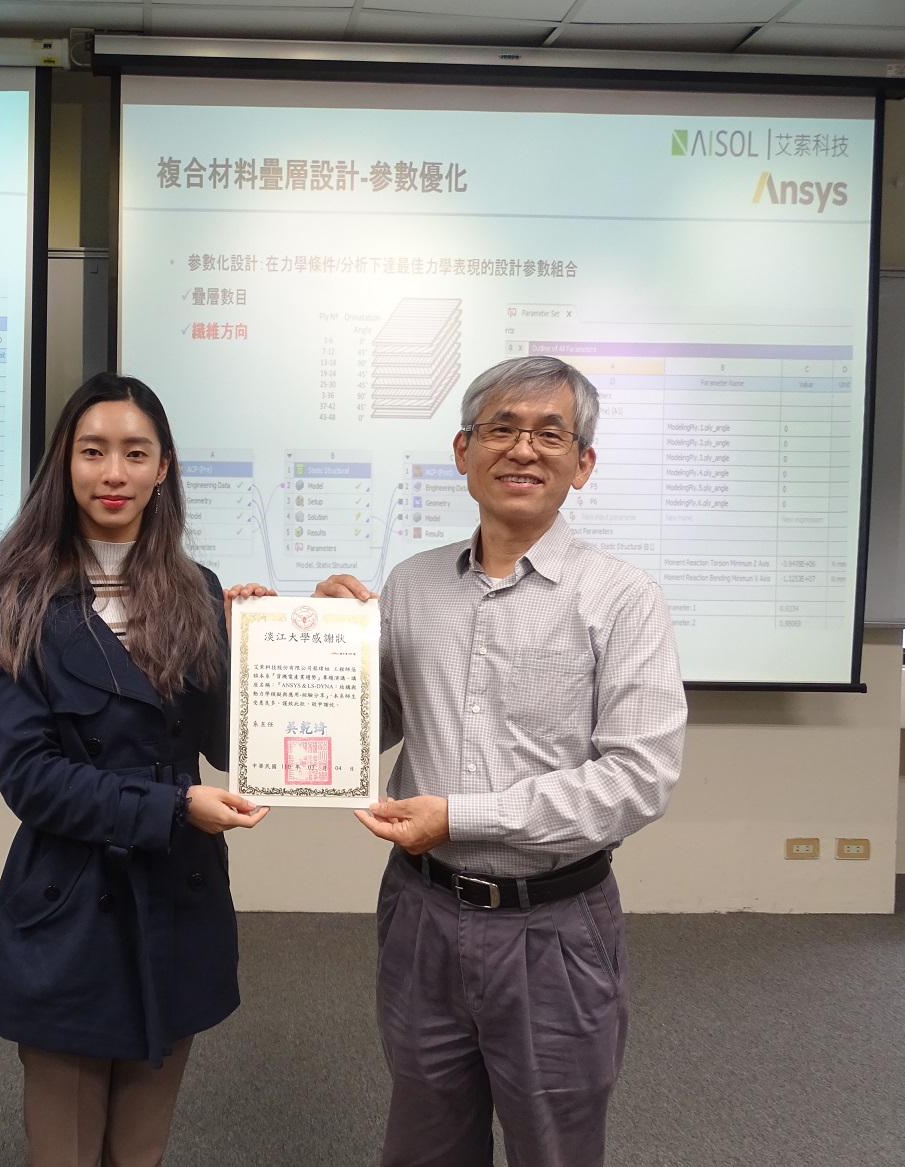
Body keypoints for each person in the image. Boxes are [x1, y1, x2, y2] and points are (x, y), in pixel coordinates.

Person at [316, 355, 687, 1167]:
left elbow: (638, 778)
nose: (523, 449)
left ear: (582, 463)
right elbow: (378, 722)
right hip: (422, 911)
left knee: (554, 1148)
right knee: (425, 1141)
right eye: (502, 429)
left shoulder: (622, 597)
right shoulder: (411, 584)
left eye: (550, 434)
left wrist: (461, 816)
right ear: (463, 451)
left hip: (553, 925)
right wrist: (321, 648)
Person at [0, 372, 271, 1167]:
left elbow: (223, 741)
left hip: (178, 891)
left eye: (136, 453)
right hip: (73, 896)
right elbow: (30, 777)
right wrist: (173, 807)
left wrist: (263, 643)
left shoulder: (196, 588)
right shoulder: (17, 597)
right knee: (64, 1150)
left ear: (163, 467)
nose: (114, 473)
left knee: (141, 1147)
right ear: (63, 463)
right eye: (93, 451)